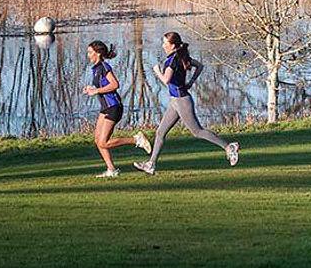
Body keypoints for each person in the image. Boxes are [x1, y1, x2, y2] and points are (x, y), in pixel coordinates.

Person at [133, 32, 238, 175]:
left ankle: (228, 147)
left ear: (173, 45)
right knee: (160, 132)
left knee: (197, 131)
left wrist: (157, 71)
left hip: (182, 101)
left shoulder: (171, 61)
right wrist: (190, 82)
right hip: (175, 101)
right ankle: (151, 164)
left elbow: (166, 80)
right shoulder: (182, 56)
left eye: (165, 43)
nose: (163, 46)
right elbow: (199, 66)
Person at [82, 40, 150, 178]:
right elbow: (103, 87)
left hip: (113, 107)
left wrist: (97, 91)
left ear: (98, 53)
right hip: (105, 107)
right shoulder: (96, 68)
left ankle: (136, 139)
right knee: (97, 140)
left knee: (103, 142)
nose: (88, 55)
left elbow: (115, 84)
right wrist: (92, 89)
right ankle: (111, 170)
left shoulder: (104, 67)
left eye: (90, 52)